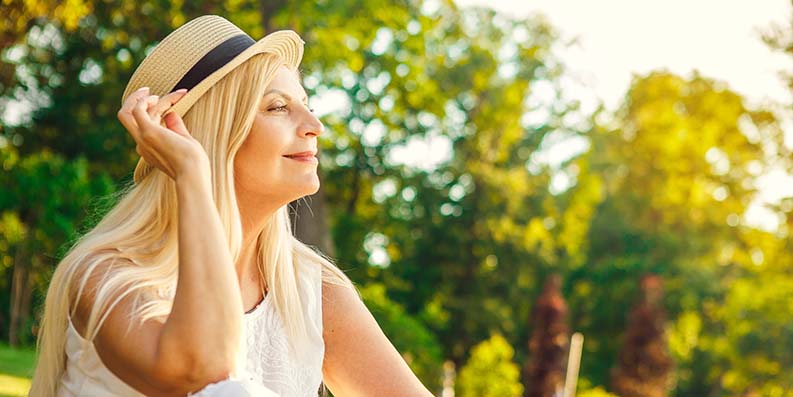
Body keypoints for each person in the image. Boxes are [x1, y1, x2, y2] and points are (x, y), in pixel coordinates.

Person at [29, 14, 434, 397]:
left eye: (307, 103)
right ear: (209, 133)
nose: (315, 124)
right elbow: (202, 371)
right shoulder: (108, 275)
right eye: (278, 107)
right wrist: (191, 174)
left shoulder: (313, 292)